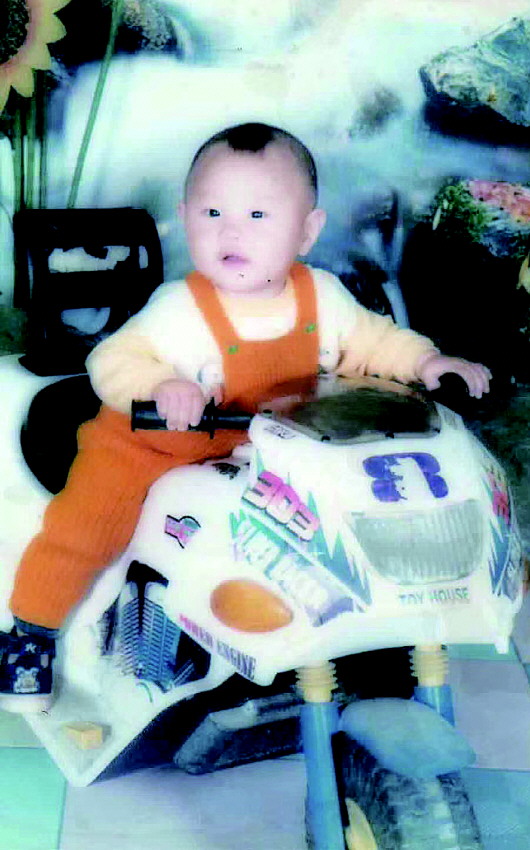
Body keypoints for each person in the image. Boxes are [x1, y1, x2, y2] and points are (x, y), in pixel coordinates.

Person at [0, 122, 491, 712]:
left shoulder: (323, 297)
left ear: (307, 230)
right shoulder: (180, 310)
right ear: (185, 218)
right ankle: (31, 632)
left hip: (269, 452)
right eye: (213, 214)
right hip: (154, 447)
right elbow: (113, 361)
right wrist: (161, 385)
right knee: (89, 526)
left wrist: (427, 363)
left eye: (258, 215)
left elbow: (374, 343)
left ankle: (334, 641)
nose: (232, 232)